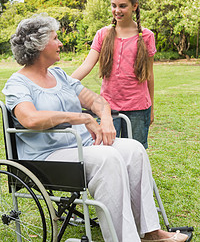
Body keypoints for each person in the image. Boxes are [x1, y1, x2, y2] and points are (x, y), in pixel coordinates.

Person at [2, 14, 188, 242]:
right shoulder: (17, 83)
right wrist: (83, 118)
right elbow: (30, 119)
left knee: (134, 150)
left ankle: (150, 231)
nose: (60, 43)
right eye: (55, 38)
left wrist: (105, 118)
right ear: (39, 45)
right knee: (107, 157)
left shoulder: (59, 75)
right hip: (47, 157)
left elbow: (95, 101)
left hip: (83, 146)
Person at [71, 0, 156, 149]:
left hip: (138, 108)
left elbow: (149, 75)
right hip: (108, 107)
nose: (117, 10)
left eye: (122, 6)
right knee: (108, 151)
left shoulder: (146, 36)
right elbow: (87, 65)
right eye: (114, 5)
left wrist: (151, 108)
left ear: (134, 6)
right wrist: (64, 82)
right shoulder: (103, 34)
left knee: (136, 152)